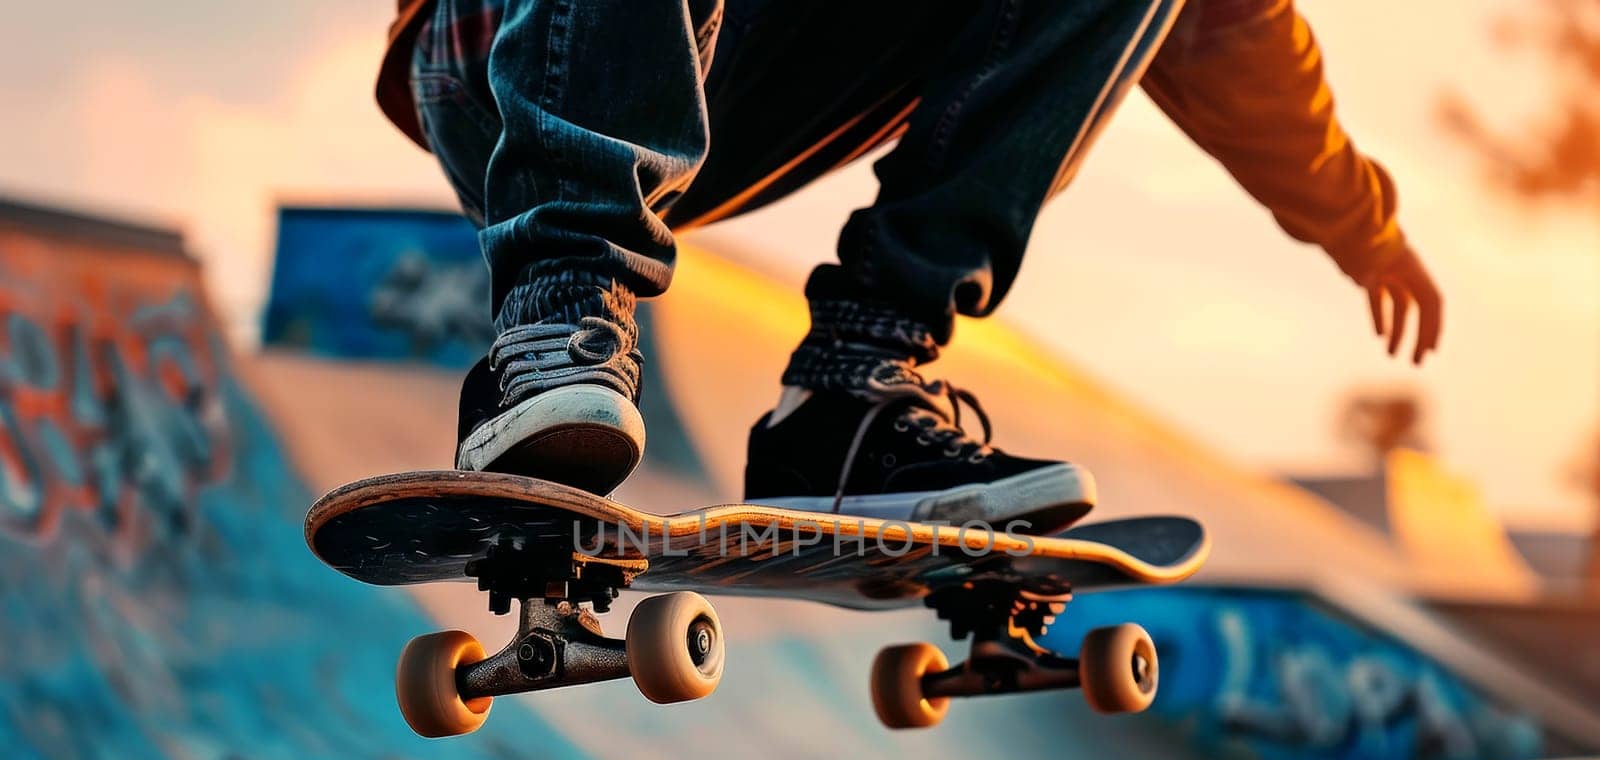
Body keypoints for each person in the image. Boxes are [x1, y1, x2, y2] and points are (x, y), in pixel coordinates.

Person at [375, 0, 1443, 532]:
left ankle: (853, 389)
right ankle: (561, 299)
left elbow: (1237, 38)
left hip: (745, 77)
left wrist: (1359, 220)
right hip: (508, 60)